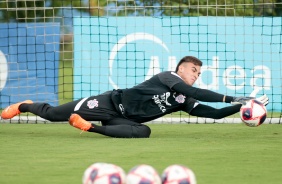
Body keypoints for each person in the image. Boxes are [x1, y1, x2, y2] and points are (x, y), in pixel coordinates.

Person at [1, 56, 268, 138]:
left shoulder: (184, 102)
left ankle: (88, 128)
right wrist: (234, 96)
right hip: (108, 102)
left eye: (199, 73)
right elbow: (195, 93)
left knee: (144, 132)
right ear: (180, 69)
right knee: (52, 115)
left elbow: (213, 113)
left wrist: (244, 106)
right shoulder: (167, 77)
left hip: (121, 118)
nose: (196, 75)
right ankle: (24, 105)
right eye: (193, 70)